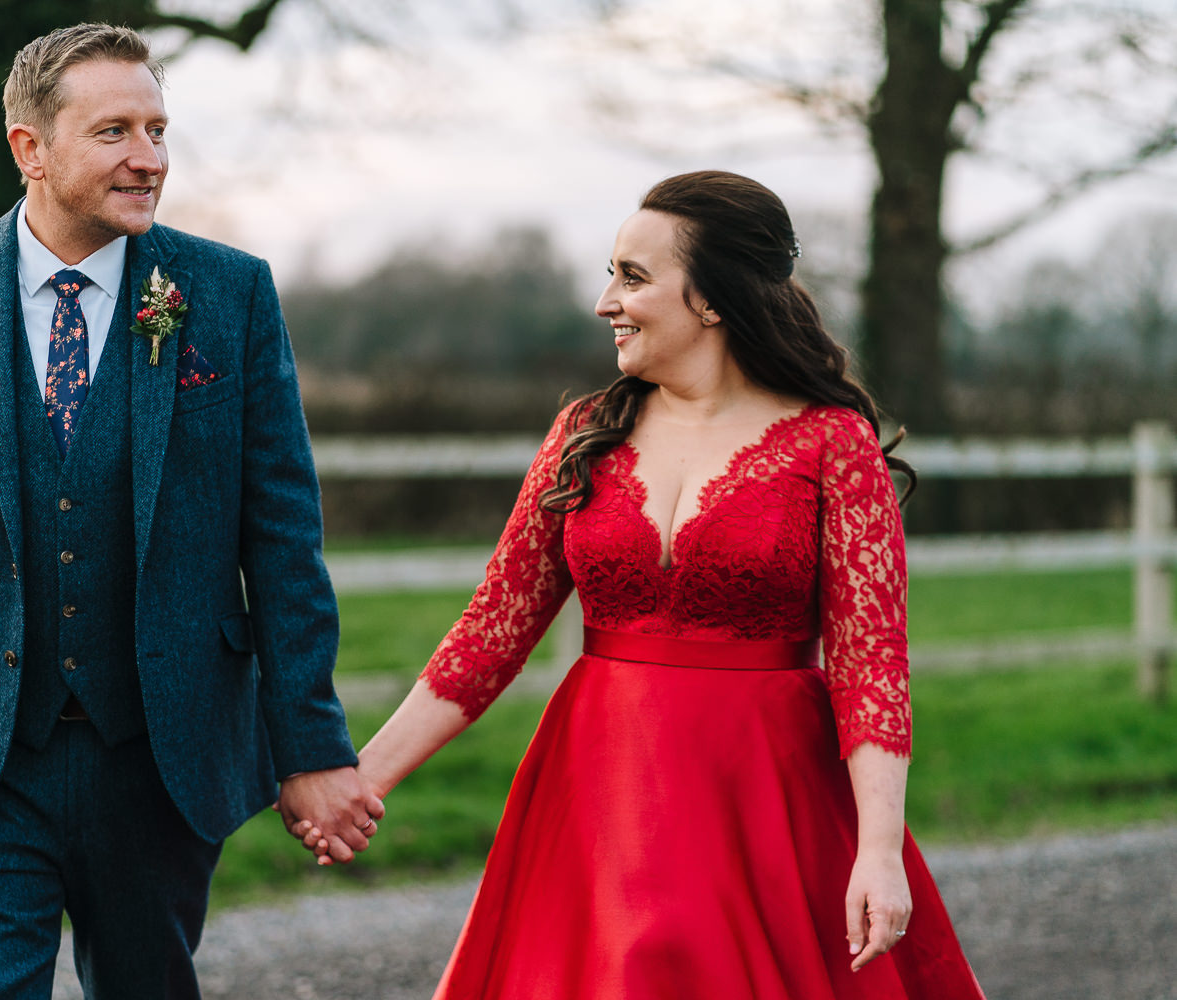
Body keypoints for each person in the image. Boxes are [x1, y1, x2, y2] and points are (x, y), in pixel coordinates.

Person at [294, 171, 984, 998]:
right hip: (600, 790)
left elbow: (872, 666)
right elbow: (490, 635)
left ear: (713, 300)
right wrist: (363, 780)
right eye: (610, 273)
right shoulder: (584, 433)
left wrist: (877, 848)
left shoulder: (832, 444)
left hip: (765, 797)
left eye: (632, 276)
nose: (604, 302)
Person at [0, 23, 381, 1000]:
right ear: (29, 149)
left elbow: (285, 541)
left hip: (161, 756)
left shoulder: (228, 293)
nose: (149, 157)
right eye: (115, 132)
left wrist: (309, 748)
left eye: (158, 129)